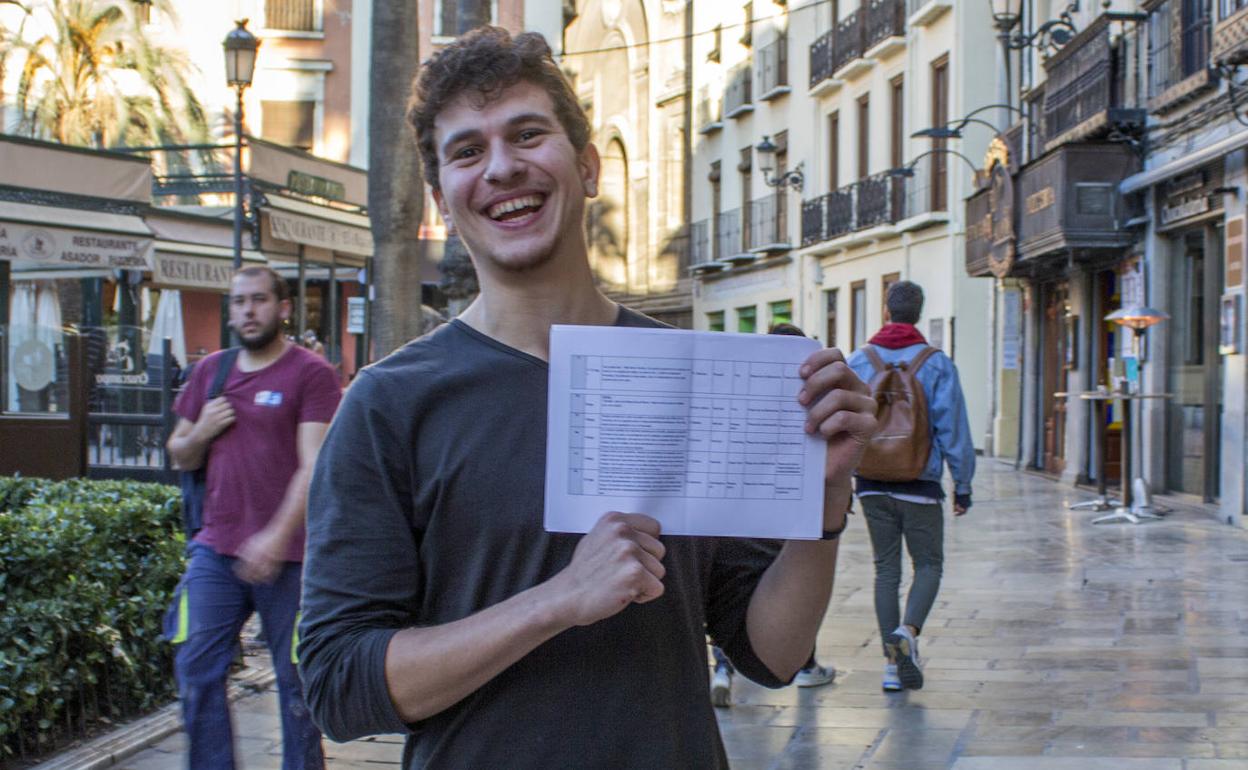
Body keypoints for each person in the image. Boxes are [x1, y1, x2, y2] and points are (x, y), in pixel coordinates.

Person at [297, 27, 877, 769]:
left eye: (528, 134)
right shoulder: (389, 405)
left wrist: (821, 504)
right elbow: (340, 686)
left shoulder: (696, 376)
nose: (503, 167)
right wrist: (556, 601)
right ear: (442, 200)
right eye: (468, 151)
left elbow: (772, 653)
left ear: (589, 165)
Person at [165, 265, 342, 769]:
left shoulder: (311, 373)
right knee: (196, 668)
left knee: (296, 683)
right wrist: (201, 432)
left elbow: (314, 465)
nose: (247, 310)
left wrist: (275, 536)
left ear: (282, 308)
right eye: (239, 301)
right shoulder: (211, 372)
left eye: (259, 300)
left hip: (290, 557)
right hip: (215, 549)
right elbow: (179, 452)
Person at [846, 281, 975, 693]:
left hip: (870, 481)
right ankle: (908, 632)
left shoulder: (859, 361)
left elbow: (844, 424)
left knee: (886, 569)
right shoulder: (936, 363)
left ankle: (889, 664)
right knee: (929, 565)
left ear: (886, 311)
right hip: (918, 482)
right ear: (918, 314)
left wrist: (842, 482)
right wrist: (963, 484)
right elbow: (953, 429)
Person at [710, 322, 838, 709]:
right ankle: (808, 663)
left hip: (738, 509)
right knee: (780, 580)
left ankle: (721, 668)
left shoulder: (741, 399)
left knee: (731, 585)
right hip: (788, 511)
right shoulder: (811, 405)